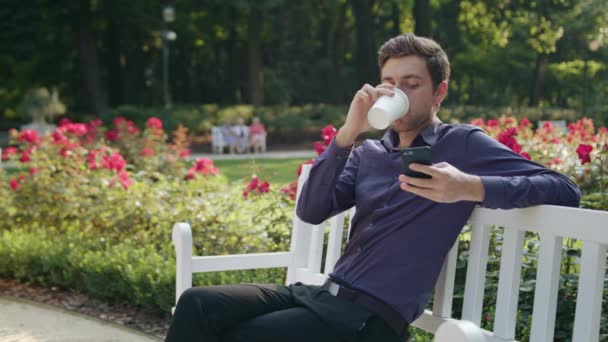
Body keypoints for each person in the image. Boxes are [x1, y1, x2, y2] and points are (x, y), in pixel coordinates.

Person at [165, 33, 580, 342]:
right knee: (198, 304)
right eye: (389, 81)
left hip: (371, 320)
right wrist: (347, 134)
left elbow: (564, 188)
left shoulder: (461, 144)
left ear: (439, 92)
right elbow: (310, 210)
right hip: (322, 296)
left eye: (412, 83)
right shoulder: (368, 153)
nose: (398, 91)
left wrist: (469, 187)